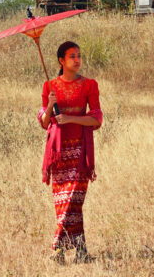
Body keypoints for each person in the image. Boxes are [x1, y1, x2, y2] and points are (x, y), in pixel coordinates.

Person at [38, 40, 103, 264]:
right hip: (58, 152)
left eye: (79, 55)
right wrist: (49, 106)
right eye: (72, 56)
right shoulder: (49, 87)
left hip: (80, 150)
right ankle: (81, 251)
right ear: (61, 61)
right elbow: (45, 123)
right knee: (64, 201)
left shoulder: (89, 85)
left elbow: (96, 118)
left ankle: (57, 247)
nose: (77, 60)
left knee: (74, 198)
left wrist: (71, 118)